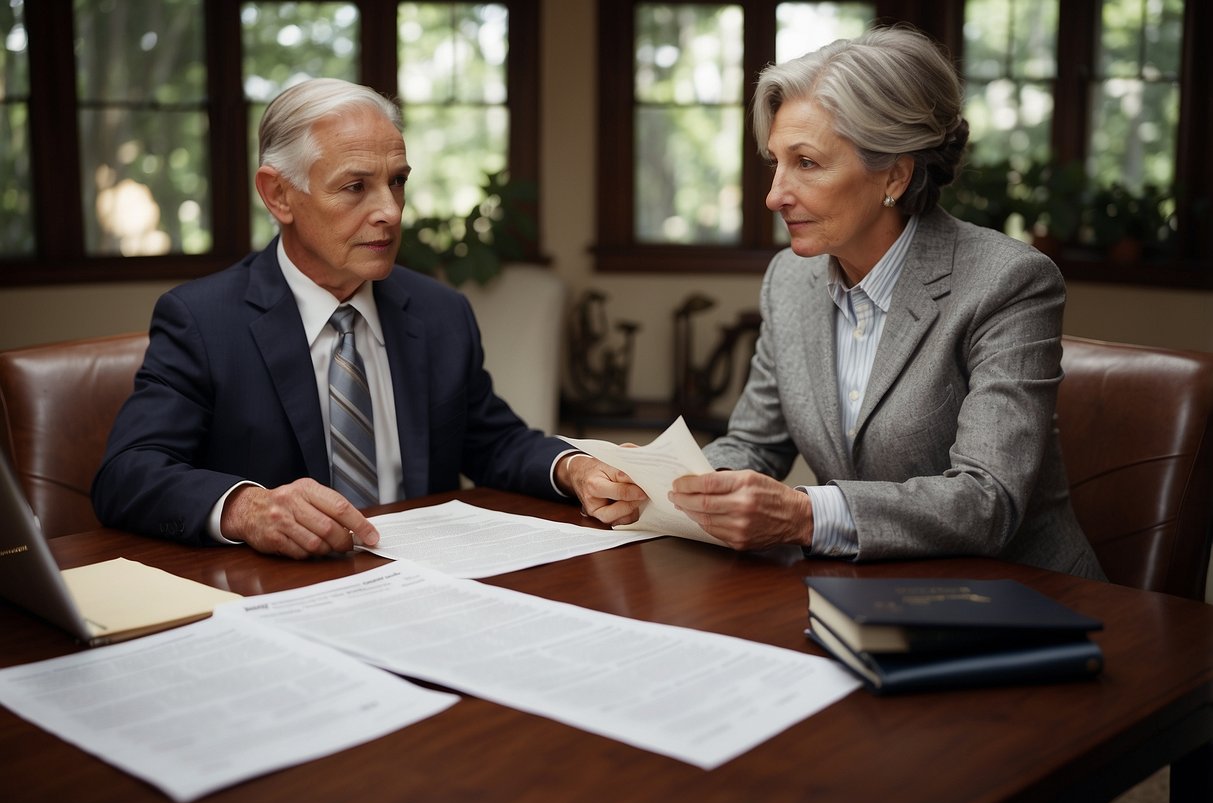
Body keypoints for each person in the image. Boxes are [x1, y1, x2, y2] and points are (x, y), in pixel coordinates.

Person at [92, 77, 642, 559]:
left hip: (429, 581)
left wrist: (577, 468)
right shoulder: (203, 321)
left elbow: (493, 443)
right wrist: (248, 507)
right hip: (280, 594)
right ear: (279, 194)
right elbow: (128, 474)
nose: (390, 211)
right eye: (356, 187)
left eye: (397, 181)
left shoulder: (439, 313)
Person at [665, 26, 1105, 580]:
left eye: (806, 162)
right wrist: (667, 486)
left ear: (894, 174)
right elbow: (755, 443)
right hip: (870, 591)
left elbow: (986, 501)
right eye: (775, 162)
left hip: (1024, 602)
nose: (774, 194)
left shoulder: (1008, 282)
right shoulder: (790, 280)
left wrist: (804, 514)